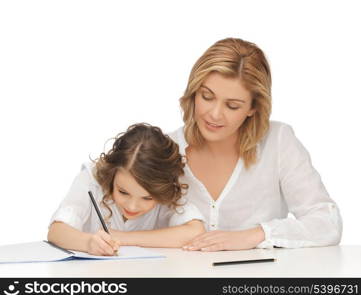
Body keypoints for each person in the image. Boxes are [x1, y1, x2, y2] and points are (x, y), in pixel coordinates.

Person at [167, 37, 342, 251]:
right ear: (193, 93)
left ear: (253, 108)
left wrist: (255, 235)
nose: (214, 114)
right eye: (207, 96)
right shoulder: (164, 148)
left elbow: (327, 222)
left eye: (232, 106)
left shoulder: (279, 142)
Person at [47, 123, 205, 256]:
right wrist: (88, 243)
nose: (132, 206)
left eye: (147, 198)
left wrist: (123, 237)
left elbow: (195, 232)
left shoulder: (164, 188)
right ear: (112, 173)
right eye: (123, 192)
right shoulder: (90, 179)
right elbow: (57, 231)